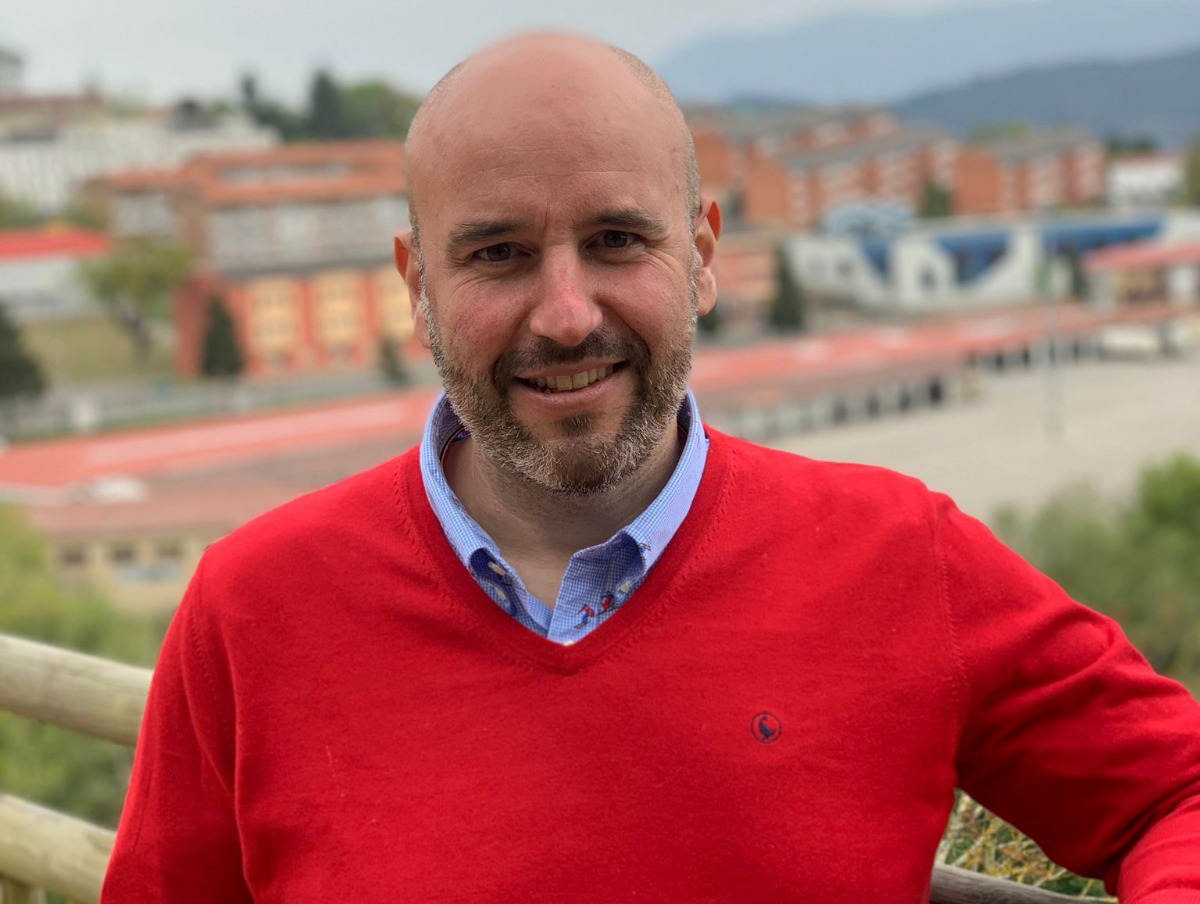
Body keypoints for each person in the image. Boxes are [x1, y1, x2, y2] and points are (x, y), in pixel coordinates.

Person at [102, 33, 1200, 903]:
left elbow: (1177, 793)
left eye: (618, 241)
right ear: (417, 285)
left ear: (704, 255)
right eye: (498, 254)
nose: (566, 314)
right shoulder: (253, 610)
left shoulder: (904, 559)